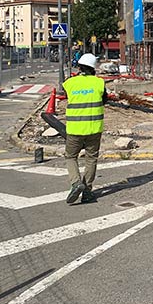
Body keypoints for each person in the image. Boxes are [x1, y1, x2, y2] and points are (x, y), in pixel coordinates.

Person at [62, 53, 108, 204]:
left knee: (70, 156)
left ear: (80, 67)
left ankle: (76, 183)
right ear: (94, 68)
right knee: (91, 158)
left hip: (75, 129)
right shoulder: (99, 83)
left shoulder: (70, 83)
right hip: (94, 128)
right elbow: (104, 100)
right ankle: (87, 192)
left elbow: (68, 97)